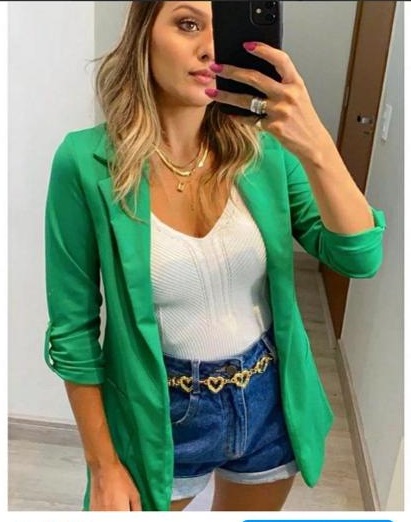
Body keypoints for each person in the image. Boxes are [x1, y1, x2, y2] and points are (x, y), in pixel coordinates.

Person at [43, 0, 386, 512]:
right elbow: (73, 330)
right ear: (144, 35)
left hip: (267, 402)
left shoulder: (264, 152)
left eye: (219, 28)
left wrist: (316, 143)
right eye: (187, 24)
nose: (209, 48)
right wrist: (104, 466)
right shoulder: (85, 164)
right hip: (159, 414)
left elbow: (359, 257)